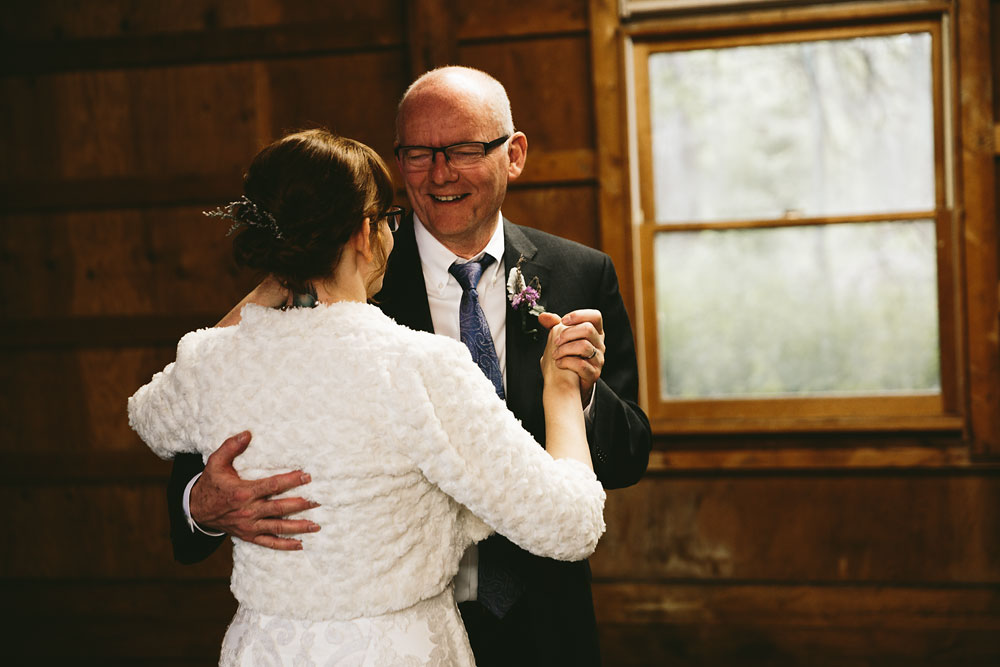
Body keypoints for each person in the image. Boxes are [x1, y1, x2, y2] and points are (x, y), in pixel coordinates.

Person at [168, 67, 652, 666]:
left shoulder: (581, 271)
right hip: (391, 627)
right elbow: (207, 425)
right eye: (417, 154)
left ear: (515, 154)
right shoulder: (337, 274)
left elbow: (629, 456)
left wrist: (579, 395)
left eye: (464, 150)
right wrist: (197, 502)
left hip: (543, 621)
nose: (439, 172)